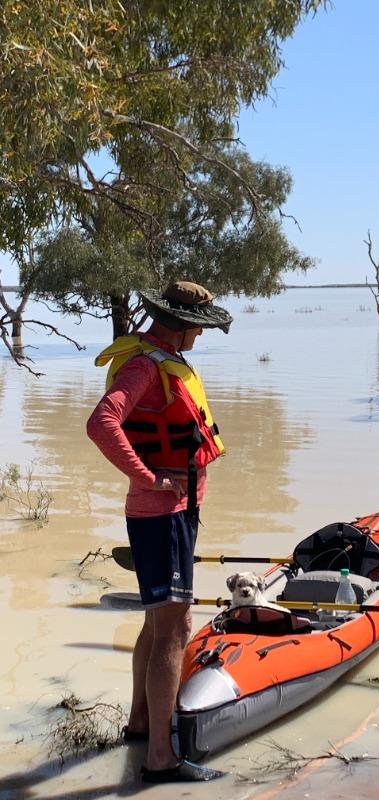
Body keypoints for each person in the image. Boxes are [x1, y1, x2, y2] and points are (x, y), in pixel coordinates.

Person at [87, 281, 232, 783]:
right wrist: (148, 478)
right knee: (174, 630)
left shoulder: (157, 356)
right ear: (185, 324)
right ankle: (160, 759)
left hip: (169, 514)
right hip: (162, 515)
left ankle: (139, 725)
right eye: (201, 326)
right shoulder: (146, 365)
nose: (201, 335)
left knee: (156, 625)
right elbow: (102, 422)